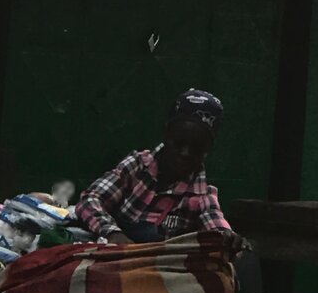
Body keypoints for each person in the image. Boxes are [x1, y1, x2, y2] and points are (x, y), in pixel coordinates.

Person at [74, 89, 230, 243]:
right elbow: (90, 200)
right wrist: (112, 233)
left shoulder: (202, 195)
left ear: (206, 151)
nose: (185, 153)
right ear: (166, 134)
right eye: (179, 141)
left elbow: (214, 223)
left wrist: (226, 238)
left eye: (197, 146)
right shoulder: (137, 166)